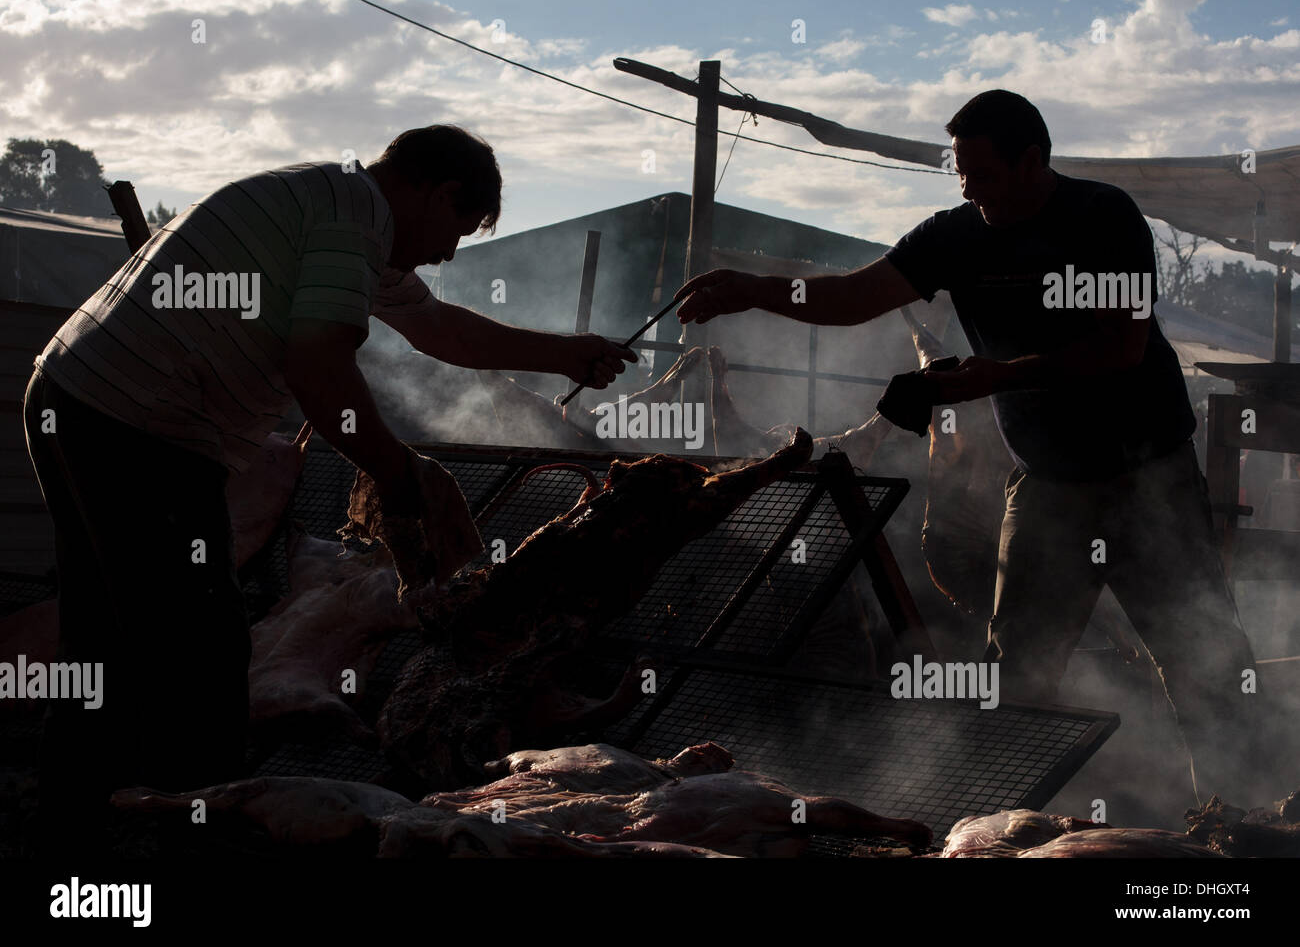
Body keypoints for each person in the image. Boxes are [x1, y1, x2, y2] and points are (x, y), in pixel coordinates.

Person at [23, 124, 636, 849]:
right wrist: (402, 472)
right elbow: (319, 366)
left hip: (74, 395)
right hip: (139, 424)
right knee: (200, 652)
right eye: (457, 229)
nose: (448, 253)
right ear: (437, 193)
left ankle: (70, 825)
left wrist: (562, 353)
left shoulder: (337, 207)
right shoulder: (352, 219)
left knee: (108, 635)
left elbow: (439, 328)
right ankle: (191, 831)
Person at [672, 90, 1259, 806]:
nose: (969, 190)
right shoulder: (954, 236)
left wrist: (995, 377)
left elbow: (1122, 345)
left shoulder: (1102, 217)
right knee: (1014, 672)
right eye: (960, 174)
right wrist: (753, 289)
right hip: (1047, 484)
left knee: (1204, 666)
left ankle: (1243, 828)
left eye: (982, 174)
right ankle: (1002, 830)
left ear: (1032, 161)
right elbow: (855, 296)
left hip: (1150, 478)